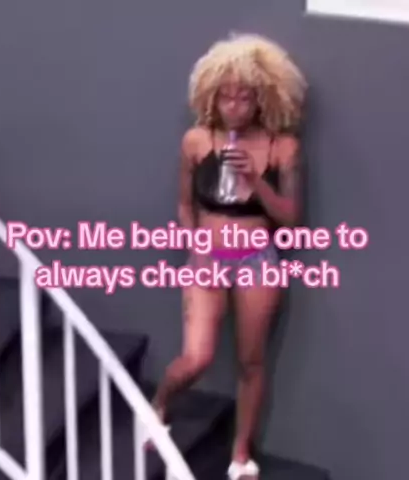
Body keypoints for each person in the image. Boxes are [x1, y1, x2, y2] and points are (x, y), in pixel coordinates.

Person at [149, 32, 307, 479]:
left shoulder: (283, 147)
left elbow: (291, 220)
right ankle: (159, 403)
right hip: (207, 259)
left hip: (257, 261)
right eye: (226, 97)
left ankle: (240, 455)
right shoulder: (196, 141)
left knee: (251, 362)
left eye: (245, 97)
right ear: (211, 96)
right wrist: (196, 245)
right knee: (197, 357)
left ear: (263, 99)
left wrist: (256, 181)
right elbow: (185, 205)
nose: (234, 107)